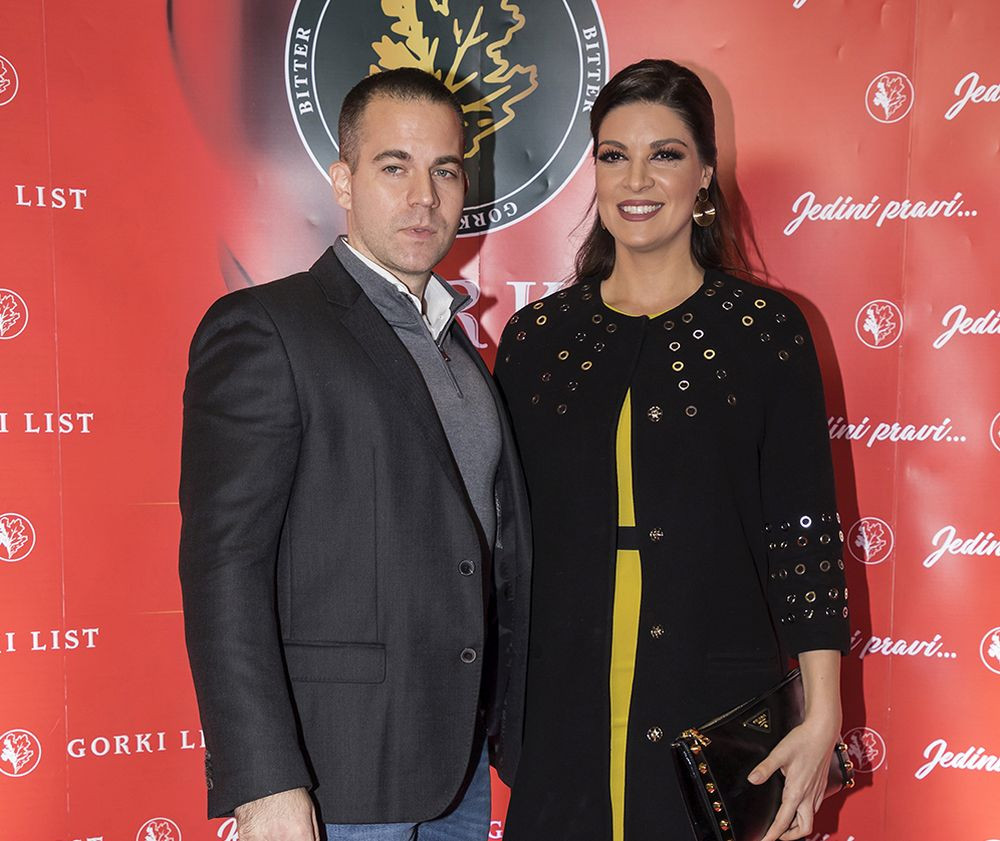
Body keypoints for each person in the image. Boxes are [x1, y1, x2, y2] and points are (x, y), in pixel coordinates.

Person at [493, 59, 850, 841]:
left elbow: (805, 537)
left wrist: (823, 711)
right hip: (562, 700)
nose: (636, 179)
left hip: (716, 703)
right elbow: (503, 542)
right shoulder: (538, 339)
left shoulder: (765, 331)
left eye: (665, 153)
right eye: (614, 154)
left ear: (706, 174)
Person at [179, 67, 531, 841]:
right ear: (343, 181)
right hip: (332, 776)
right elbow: (224, 569)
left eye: (444, 170)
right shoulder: (267, 328)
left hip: (458, 765)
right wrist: (264, 781)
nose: (423, 196)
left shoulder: (458, 349)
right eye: (394, 166)